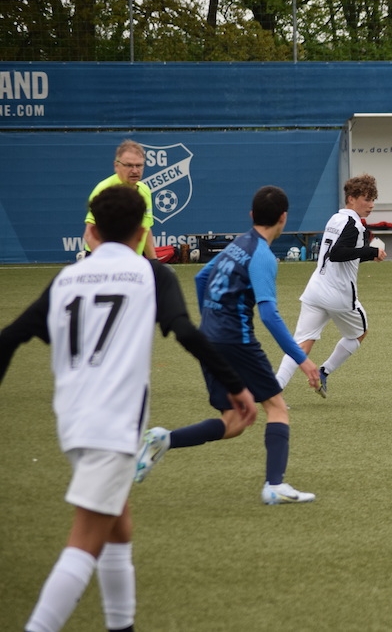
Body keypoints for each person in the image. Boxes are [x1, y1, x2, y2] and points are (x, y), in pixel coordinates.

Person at [0, 185, 256, 632]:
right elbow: (185, 331)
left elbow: (9, 338)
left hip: (73, 420)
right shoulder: (151, 274)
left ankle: (122, 626)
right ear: (141, 233)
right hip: (113, 424)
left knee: (118, 526)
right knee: (84, 542)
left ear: (91, 233)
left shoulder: (67, 278)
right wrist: (235, 387)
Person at [135, 186, 322, 505]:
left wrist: (211, 321)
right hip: (237, 340)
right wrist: (302, 359)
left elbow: (201, 278)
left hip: (209, 339)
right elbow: (269, 315)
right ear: (283, 218)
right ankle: (275, 485)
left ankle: (165, 439)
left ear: (251, 215)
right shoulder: (263, 255)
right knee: (276, 407)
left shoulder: (238, 243)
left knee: (234, 421)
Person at [275, 174, 385, 398]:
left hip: (316, 289)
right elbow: (338, 254)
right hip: (338, 295)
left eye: (373, 199)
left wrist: (368, 255)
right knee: (360, 332)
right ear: (351, 198)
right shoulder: (354, 224)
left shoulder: (335, 218)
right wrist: (371, 250)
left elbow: (341, 255)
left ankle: (274, 390)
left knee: (301, 344)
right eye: (366, 199)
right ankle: (324, 371)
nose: (371, 204)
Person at [84, 139, 157, 259]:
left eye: (139, 165)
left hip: (132, 260)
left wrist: (154, 262)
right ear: (116, 166)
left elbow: (146, 229)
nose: (135, 170)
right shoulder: (104, 190)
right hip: (103, 260)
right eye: (129, 165)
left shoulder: (145, 190)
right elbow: (89, 234)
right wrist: (108, 263)